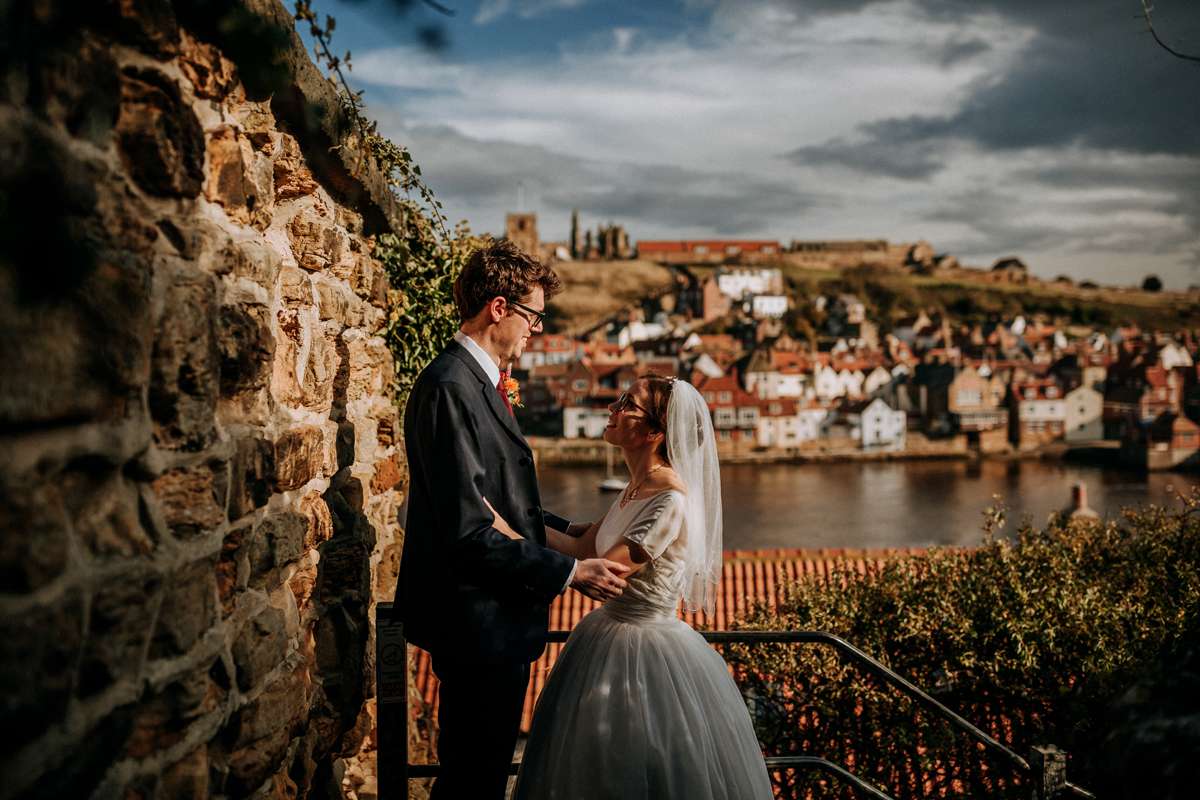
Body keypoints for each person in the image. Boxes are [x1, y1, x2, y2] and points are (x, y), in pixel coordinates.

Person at [396, 239, 631, 800]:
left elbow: (495, 500)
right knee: (471, 784)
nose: (537, 330)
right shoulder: (451, 387)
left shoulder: (476, 383)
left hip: (491, 625)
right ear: (498, 308)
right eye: (533, 315)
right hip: (478, 626)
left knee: (478, 776)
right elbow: (469, 530)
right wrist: (571, 573)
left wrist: (569, 531)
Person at [501, 375, 774, 799]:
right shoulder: (638, 486)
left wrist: (502, 529)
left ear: (654, 431)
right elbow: (581, 546)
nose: (613, 409)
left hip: (644, 648)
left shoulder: (669, 500)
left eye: (628, 404)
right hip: (606, 633)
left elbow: (605, 572)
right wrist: (511, 520)